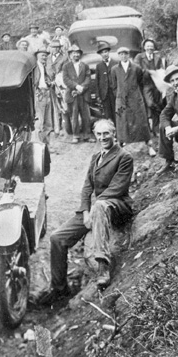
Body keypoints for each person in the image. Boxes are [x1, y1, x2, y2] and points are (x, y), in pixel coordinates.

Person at [37, 120, 133, 303]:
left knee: (100, 206)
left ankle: (103, 266)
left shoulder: (124, 156)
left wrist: (95, 207)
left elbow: (117, 188)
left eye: (107, 134)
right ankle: (60, 288)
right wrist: (86, 211)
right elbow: (87, 187)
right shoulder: (96, 157)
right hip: (96, 208)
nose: (103, 137)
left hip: (117, 206)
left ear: (114, 134)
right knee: (57, 238)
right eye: (99, 134)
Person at [110, 47, 151, 146]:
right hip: (121, 100)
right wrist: (119, 95)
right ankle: (121, 141)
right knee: (121, 120)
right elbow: (114, 85)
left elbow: (140, 82)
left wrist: (136, 93)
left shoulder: (136, 68)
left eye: (125, 54)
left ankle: (147, 142)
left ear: (128, 55)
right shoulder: (114, 69)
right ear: (118, 56)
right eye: (121, 54)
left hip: (135, 98)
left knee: (140, 119)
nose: (123, 56)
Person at [134, 39, 166, 139]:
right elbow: (137, 69)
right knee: (150, 104)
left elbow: (162, 68)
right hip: (146, 84)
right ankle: (153, 125)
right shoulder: (139, 57)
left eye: (151, 46)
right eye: (148, 46)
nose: (150, 48)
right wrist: (149, 71)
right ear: (144, 47)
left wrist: (160, 73)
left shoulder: (158, 57)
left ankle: (156, 129)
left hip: (157, 83)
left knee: (159, 102)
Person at [61, 44, 92, 143]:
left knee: (86, 115)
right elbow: (66, 79)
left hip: (84, 94)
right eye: (73, 53)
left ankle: (87, 135)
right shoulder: (66, 66)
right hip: (72, 94)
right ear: (70, 55)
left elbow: (88, 78)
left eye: (78, 53)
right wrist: (76, 86)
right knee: (74, 115)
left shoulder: (85, 65)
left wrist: (82, 87)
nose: (76, 55)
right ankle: (76, 135)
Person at [47, 40, 68, 135]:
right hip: (50, 86)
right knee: (53, 106)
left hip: (60, 85)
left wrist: (56, 81)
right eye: (52, 47)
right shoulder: (48, 58)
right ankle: (55, 127)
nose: (54, 49)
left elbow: (63, 72)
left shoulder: (64, 58)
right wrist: (48, 81)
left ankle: (64, 128)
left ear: (59, 48)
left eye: (56, 47)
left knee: (63, 106)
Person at [33, 48, 54, 140]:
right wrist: (36, 91)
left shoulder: (44, 67)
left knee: (48, 122)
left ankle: (47, 146)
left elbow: (46, 79)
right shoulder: (34, 67)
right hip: (39, 95)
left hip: (47, 93)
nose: (44, 57)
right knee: (40, 122)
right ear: (37, 55)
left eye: (46, 55)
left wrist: (49, 82)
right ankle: (39, 144)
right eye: (42, 55)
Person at [95, 41, 118, 124]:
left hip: (114, 93)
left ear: (109, 52)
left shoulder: (115, 63)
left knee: (117, 112)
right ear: (100, 54)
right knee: (107, 114)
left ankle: (119, 132)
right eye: (102, 53)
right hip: (104, 94)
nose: (104, 54)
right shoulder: (99, 66)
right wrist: (98, 95)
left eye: (106, 52)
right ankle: (111, 131)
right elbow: (97, 82)